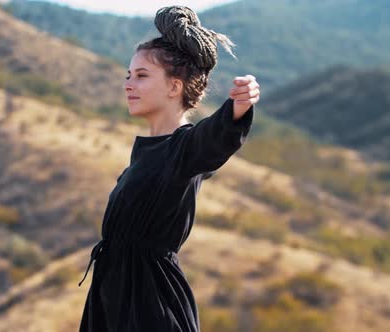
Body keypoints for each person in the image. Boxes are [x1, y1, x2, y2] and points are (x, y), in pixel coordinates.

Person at [78, 5, 259, 332]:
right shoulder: (144, 156)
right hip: (116, 305)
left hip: (152, 308)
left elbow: (214, 138)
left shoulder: (184, 149)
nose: (129, 84)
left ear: (175, 87)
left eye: (142, 76)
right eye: (128, 75)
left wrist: (238, 106)